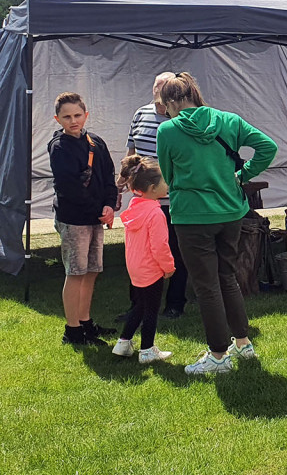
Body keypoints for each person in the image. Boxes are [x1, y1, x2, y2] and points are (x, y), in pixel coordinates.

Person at [156, 72, 278, 374]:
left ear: (171, 102)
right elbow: (268, 147)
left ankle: (218, 355)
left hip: (191, 215)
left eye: (163, 105)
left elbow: (167, 176)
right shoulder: (229, 120)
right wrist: (242, 175)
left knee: (206, 286)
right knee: (227, 277)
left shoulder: (168, 130)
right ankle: (242, 342)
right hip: (231, 211)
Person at [48, 92, 118, 346]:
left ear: (86, 115)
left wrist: (110, 205)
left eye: (77, 115)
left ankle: (86, 322)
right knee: (76, 273)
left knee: (91, 271)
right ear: (58, 119)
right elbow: (68, 188)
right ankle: (73, 330)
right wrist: (98, 210)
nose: (73, 120)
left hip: (96, 216)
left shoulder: (96, 142)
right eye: (67, 117)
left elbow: (109, 175)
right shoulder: (60, 147)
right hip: (74, 218)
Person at [124, 71, 189, 319]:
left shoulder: (182, 119)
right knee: (139, 253)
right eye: (156, 87)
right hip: (143, 200)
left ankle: (175, 303)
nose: (159, 93)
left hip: (173, 201)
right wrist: (124, 176)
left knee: (174, 250)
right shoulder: (140, 114)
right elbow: (131, 151)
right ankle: (137, 306)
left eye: (164, 89)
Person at [111, 155, 175, 364]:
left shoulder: (134, 208)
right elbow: (160, 246)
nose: (167, 184)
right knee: (151, 311)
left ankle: (123, 342)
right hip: (151, 270)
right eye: (164, 181)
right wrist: (168, 267)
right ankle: (147, 350)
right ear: (152, 187)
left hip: (136, 269)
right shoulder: (156, 214)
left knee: (139, 306)